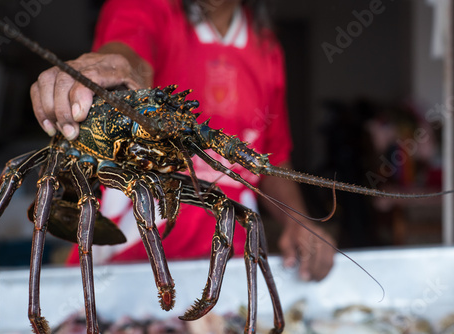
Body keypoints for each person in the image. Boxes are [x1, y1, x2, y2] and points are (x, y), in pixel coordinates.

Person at [30, 0, 335, 281]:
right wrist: (115, 67)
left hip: (229, 254)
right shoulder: (146, 5)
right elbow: (130, 57)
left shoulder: (266, 47)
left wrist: (298, 222)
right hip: (132, 244)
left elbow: (273, 156)